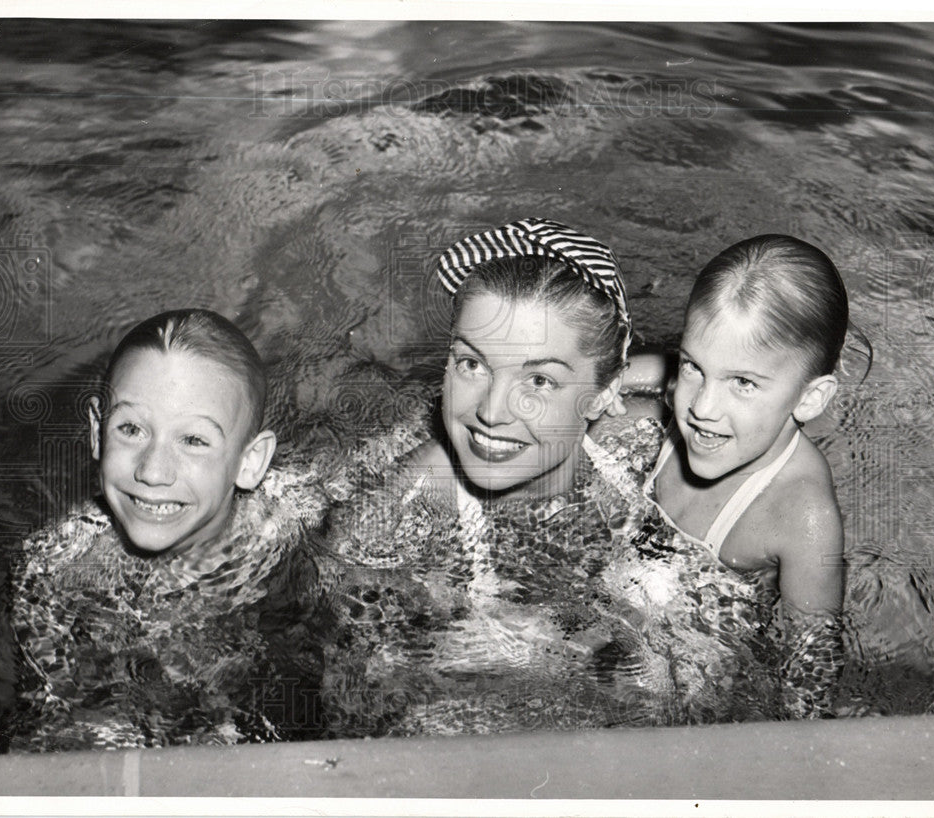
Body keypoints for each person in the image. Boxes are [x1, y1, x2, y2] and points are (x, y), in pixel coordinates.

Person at [319, 219, 769, 736]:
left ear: (604, 393)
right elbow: (356, 695)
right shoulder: (403, 507)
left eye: (538, 379)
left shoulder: (645, 439)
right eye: (471, 363)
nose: (491, 410)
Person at [7, 309, 328, 750]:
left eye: (193, 440)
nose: (154, 471)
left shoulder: (296, 517)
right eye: (131, 429)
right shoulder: (53, 572)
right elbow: (56, 723)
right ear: (98, 432)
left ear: (250, 461)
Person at [637, 234, 853, 717]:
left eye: (743, 383)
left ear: (810, 398)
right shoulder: (688, 402)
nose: (701, 408)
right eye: (694, 367)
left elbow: (810, 667)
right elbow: (610, 372)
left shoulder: (801, 515)